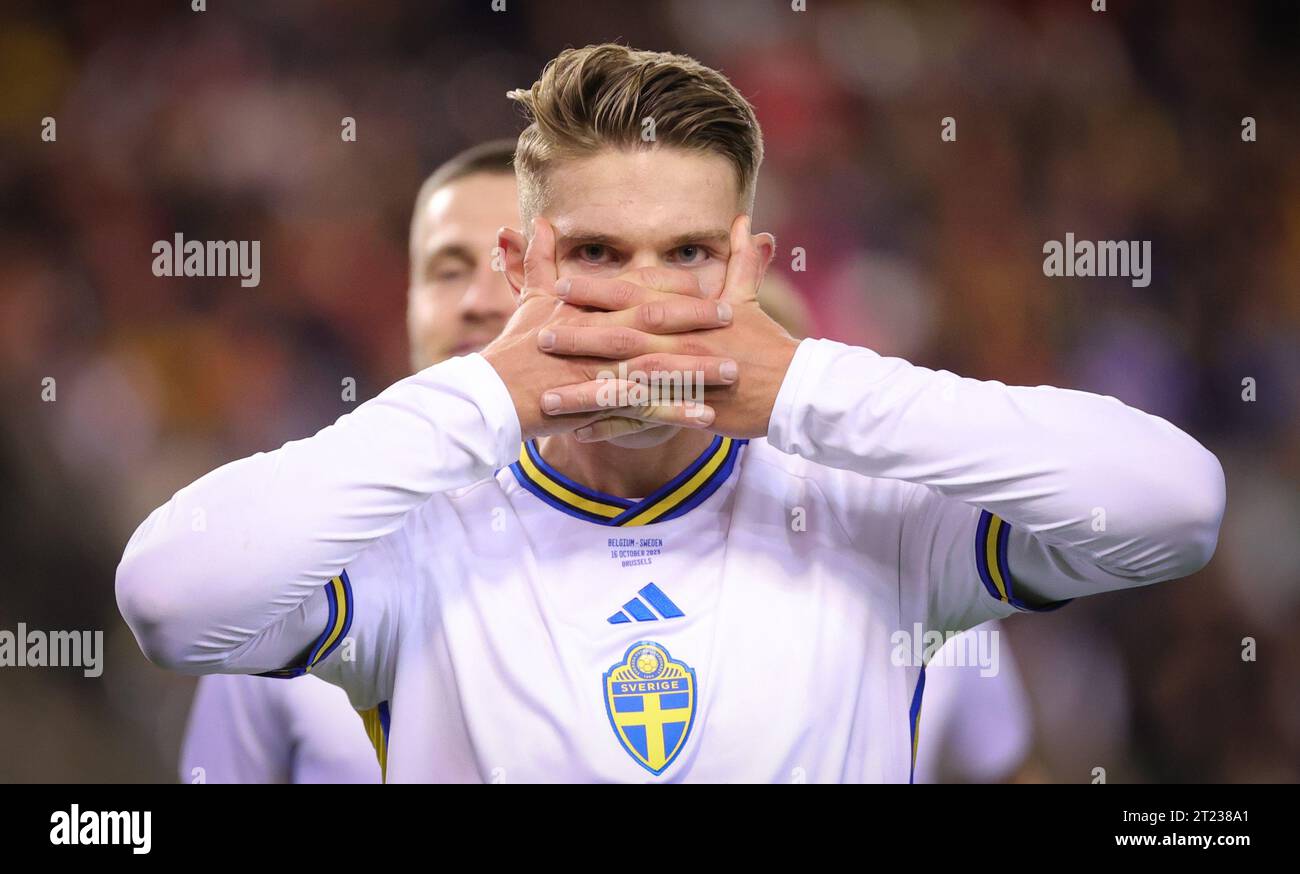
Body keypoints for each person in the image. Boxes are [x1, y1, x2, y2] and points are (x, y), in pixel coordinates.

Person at [118, 44, 1224, 782]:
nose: (645, 301)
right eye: (595, 254)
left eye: (687, 255)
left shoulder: (872, 515)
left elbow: (1174, 506)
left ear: (745, 262)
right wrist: (492, 391)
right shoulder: (415, 536)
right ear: (521, 262)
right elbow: (171, 598)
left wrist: (801, 384)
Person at [178, 140, 518, 783]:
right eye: (447, 269)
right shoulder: (293, 574)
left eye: (514, 267)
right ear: (408, 302)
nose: (478, 300)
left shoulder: (688, 550)